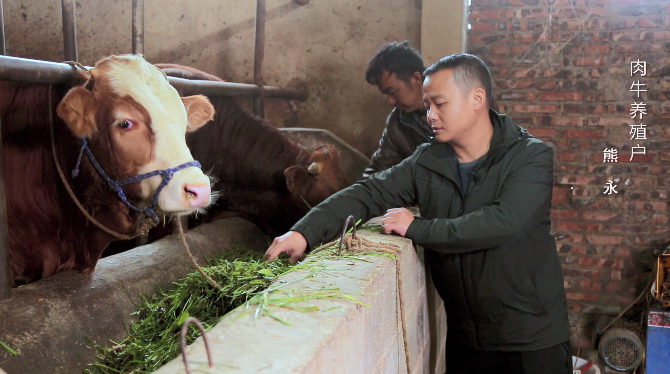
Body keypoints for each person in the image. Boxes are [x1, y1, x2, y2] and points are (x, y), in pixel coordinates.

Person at [264, 53, 571, 374]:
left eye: (440, 104)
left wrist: (417, 228)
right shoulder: (429, 161)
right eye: (427, 106)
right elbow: (368, 193)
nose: (430, 116)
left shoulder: (529, 156)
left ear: (477, 99)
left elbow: (504, 222)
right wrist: (302, 232)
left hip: (532, 341)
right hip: (467, 340)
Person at [362, 41, 433, 178]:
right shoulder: (397, 123)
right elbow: (380, 170)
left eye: (392, 92)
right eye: (385, 95)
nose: (390, 101)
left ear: (416, 78)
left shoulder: (458, 107)